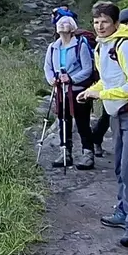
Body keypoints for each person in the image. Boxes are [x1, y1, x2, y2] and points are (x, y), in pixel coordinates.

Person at [82, 1, 128, 247]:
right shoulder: (102, 48)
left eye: (105, 22)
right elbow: (108, 80)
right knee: (121, 168)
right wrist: (91, 90)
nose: (100, 26)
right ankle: (123, 212)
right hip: (118, 114)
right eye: (96, 22)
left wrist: (102, 95)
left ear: (116, 23)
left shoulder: (125, 46)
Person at [41, 15, 98, 170]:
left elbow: (87, 69)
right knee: (63, 122)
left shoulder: (81, 46)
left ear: (72, 28)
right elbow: (48, 67)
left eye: (66, 23)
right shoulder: (53, 47)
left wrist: (71, 78)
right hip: (61, 91)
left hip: (78, 91)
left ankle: (88, 154)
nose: (62, 26)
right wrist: (52, 79)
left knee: (82, 123)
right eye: (60, 24)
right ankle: (65, 152)